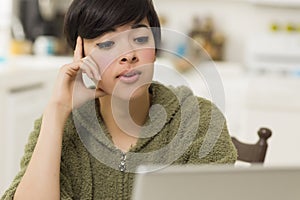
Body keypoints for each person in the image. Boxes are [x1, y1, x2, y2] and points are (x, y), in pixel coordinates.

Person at [1, 0, 237, 199]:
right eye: (107, 44)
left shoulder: (200, 122)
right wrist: (57, 111)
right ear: (81, 56)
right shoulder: (62, 128)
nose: (128, 55)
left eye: (140, 39)